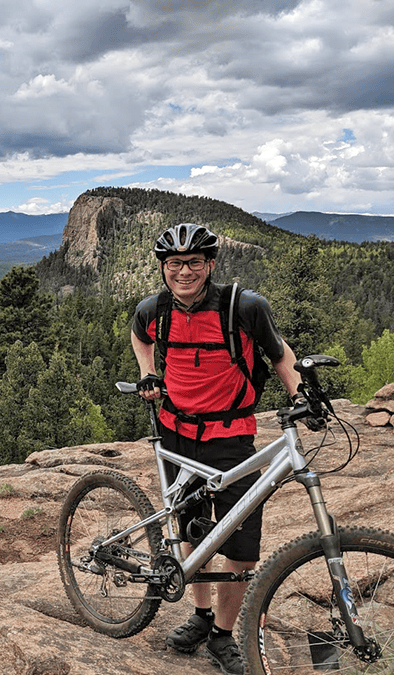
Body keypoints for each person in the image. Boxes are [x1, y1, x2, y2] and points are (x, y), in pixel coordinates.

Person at [130, 223, 302, 675]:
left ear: (209, 265)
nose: (183, 272)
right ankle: (202, 615)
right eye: (173, 264)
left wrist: (300, 397)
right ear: (164, 269)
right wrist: (149, 373)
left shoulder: (244, 307)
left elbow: (279, 354)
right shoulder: (155, 309)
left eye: (192, 263)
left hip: (231, 438)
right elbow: (139, 335)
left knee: (241, 544)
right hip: (176, 432)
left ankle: (223, 635)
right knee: (191, 531)